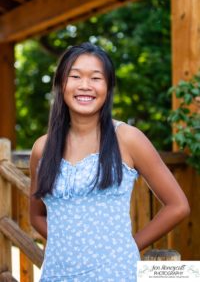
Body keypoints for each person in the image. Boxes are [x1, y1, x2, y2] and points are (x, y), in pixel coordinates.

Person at [29, 42, 190, 282]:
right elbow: (36, 216)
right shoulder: (43, 147)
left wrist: (127, 247)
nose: (85, 86)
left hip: (116, 274)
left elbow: (178, 206)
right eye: (75, 76)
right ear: (61, 84)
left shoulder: (128, 138)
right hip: (56, 275)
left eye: (96, 78)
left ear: (108, 87)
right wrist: (69, 246)